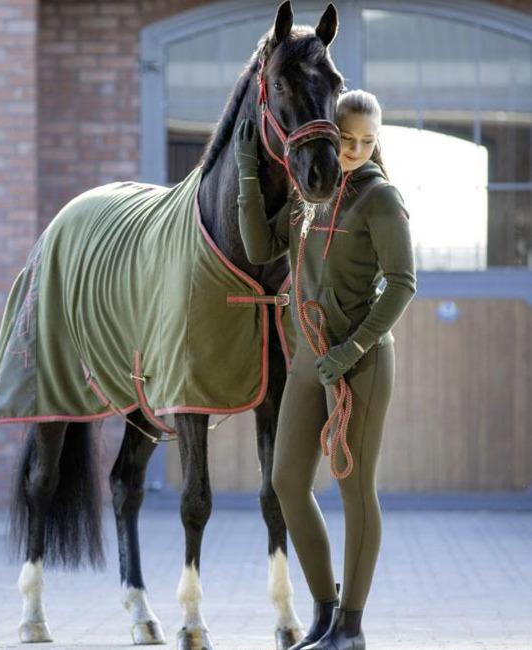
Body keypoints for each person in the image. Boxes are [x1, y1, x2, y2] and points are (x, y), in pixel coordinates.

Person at [234, 89, 416, 650]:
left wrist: (351, 352)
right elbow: (260, 247)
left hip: (361, 363)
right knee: (287, 481)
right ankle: (324, 612)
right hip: (311, 360)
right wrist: (246, 175)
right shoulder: (306, 199)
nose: (356, 150)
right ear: (326, 135)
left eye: (367, 140)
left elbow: (403, 284)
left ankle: (352, 629)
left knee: (354, 489)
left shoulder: (380, 200)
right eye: (346, 140)